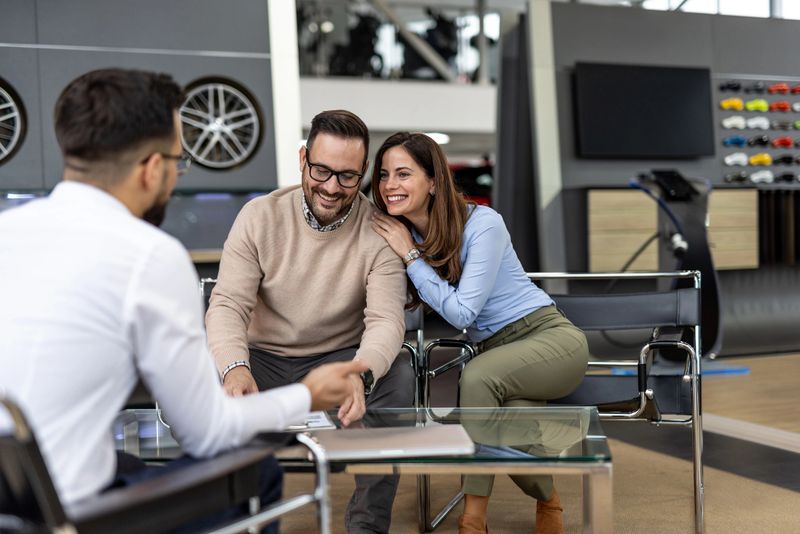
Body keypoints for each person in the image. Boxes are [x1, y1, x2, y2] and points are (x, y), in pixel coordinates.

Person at [0, 68, 365, 533]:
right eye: (178, 161)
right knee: (259, 472)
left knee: (127, 462)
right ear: (152, 169)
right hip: (65, 516)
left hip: (12, 492)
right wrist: (309, 395)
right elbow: (206, 431)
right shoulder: (149, 255)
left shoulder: (7, 230)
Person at [370, 132, 590, 534]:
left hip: (550, 340)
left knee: (476, 378)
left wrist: (410, 255)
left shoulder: (482, 224)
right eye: (384, 175)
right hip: (495, 353)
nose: (390, 185)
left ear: (434, 180)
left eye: (403, 174)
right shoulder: (402, 235)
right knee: (512, 435)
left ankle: (473, 520)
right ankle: (549, 499)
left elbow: (461, 313)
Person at [205, 110, 413, 533]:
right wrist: (234, 366)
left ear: (362, 174)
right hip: (263, 358)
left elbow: (387, 321)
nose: (332, 187)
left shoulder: (380, 232)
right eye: (322, 170)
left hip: (339, 361)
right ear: (303, 159)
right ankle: (241, 521)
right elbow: (228, 304)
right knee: (211, 375)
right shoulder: (259, 216)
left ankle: (366, 527)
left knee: (399, 375)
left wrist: (362, 373)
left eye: (348, 176)